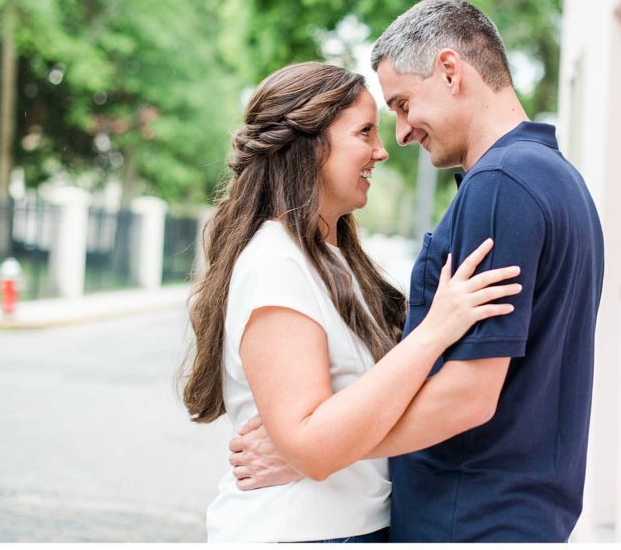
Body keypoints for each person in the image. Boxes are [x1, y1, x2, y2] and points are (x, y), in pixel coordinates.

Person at [227, 0, 605, 542]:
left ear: (450, 71)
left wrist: (318, 451)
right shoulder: (555, 177)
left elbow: (468, 393)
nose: (400, 134)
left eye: (402, 104)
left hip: (470, 518)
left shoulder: (501, 184)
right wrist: (314, 447)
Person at [182, 61, 523, 542]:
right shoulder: (275, 263)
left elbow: (340, 424)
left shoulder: (335, 261)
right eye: (365, 132)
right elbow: (311, 443)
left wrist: (305, 447)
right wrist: (434, 332)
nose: (382, 152)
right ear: (309, 144)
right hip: (299, 533)